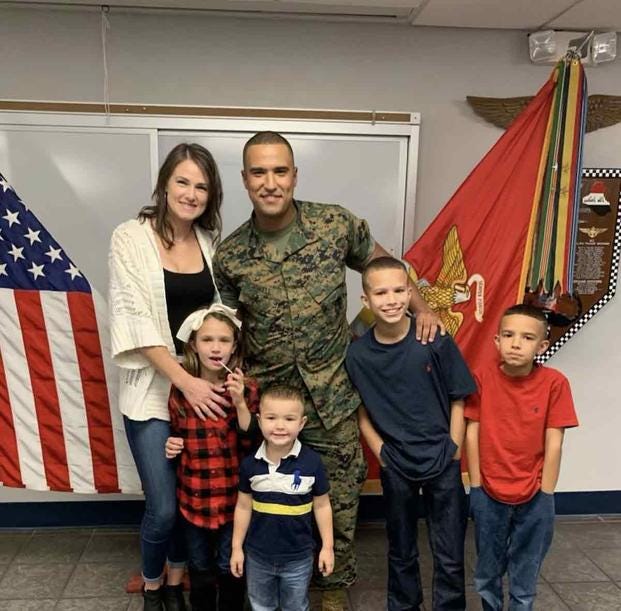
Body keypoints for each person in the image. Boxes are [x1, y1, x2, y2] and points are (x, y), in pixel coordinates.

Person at [212, 131, 441, 610]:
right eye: (259, 172)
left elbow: (383, 264)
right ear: (244, 180)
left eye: (279, 171)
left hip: (333, 394)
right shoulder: (231, 255)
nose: (270, 182)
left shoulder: (334, 224)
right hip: (270, 403)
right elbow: (227, 331)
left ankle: (334, 590)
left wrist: (422, 308)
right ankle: (275, 585)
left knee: (338, 498)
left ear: (294, 175)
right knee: (273, 499)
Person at [109, 143, 230, 611]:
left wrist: (216, 382)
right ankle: (154, 580)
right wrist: (186, 381)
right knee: (162, 506)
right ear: (164, 185)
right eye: (182, 181)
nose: (191, 193)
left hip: (204, 392)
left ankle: (180, 578)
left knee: (193, 497)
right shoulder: (130, 237)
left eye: (202, 186)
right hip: (155, 392)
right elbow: (135, 320)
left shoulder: (209, 243)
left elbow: (223, 319)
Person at [345, 257, 476, 610]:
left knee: (449, 552)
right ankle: (404, 605)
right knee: (400, 548)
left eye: (400, 290)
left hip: (442, 459)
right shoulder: (357, 355)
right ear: (365, 301)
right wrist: (381, 452)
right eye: (381, 292)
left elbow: (459, 396)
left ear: (411, 292)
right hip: (396, 463)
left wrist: (453, 446)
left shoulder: (433, 338)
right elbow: (359, 409)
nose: (391, 300)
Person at [465, 304, 579, 610]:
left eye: (527, 338)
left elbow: (554, 443)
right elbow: (472, 433)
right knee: (487, 572)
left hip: (534, 496)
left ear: (542, 345)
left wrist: (545, 494)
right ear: (497, 341)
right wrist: (476, 488)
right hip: (488, 492)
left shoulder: (555, 383)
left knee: (525, 574)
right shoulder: (481, 379)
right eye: (508, 335)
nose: (516, 343)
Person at [165, 304, 259, 611]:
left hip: (234, 499)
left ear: (234, 348)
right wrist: (172, 444)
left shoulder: (247, 388)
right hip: (194, 498)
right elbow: (177, 432)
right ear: (193, 344)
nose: (216, 347)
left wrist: (240, 402)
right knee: (200, 566)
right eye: (207, 340)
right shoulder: (181, 391)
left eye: (224, 340)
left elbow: (253, 439)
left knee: (229, 564)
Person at [230, 385, 334, 611]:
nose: (279, 426)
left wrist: (328, 547)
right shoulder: (250, 465)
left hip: (299, 558)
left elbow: (322, 505)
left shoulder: (312, 462)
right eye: (271, 417)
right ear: (259, 421)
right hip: (258, 557)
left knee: (295, 606)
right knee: (260, 606)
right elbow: (244, 506)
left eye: (289, 419)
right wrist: (237, 548)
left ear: (302, 423)